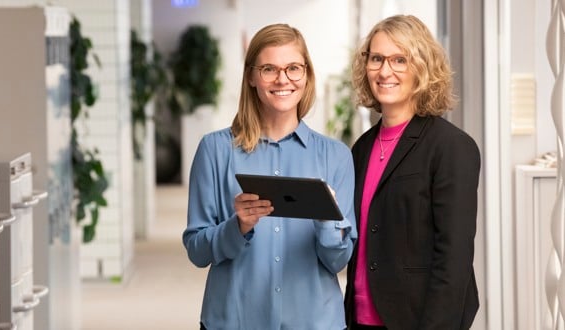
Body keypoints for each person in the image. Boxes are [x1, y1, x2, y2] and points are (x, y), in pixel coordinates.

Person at [182, 23, 357, 330]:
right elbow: (197, 249)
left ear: (306, 75)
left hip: (314, 322)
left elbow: (337, 261)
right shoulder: (214, 150)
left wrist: (327, 219)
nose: (283, 79)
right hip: (234, 321)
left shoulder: (336, 156)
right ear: (251, 76)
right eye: (269, 69)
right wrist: (237, 227)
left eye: (293, 68)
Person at [343, 15, 480, 330]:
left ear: (422, 67)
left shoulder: (451, 147)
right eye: (376, 58)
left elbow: (454, 260)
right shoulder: (360, 149)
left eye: (399, 60)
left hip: (417, 321)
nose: (385, 71)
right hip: (359, 320)